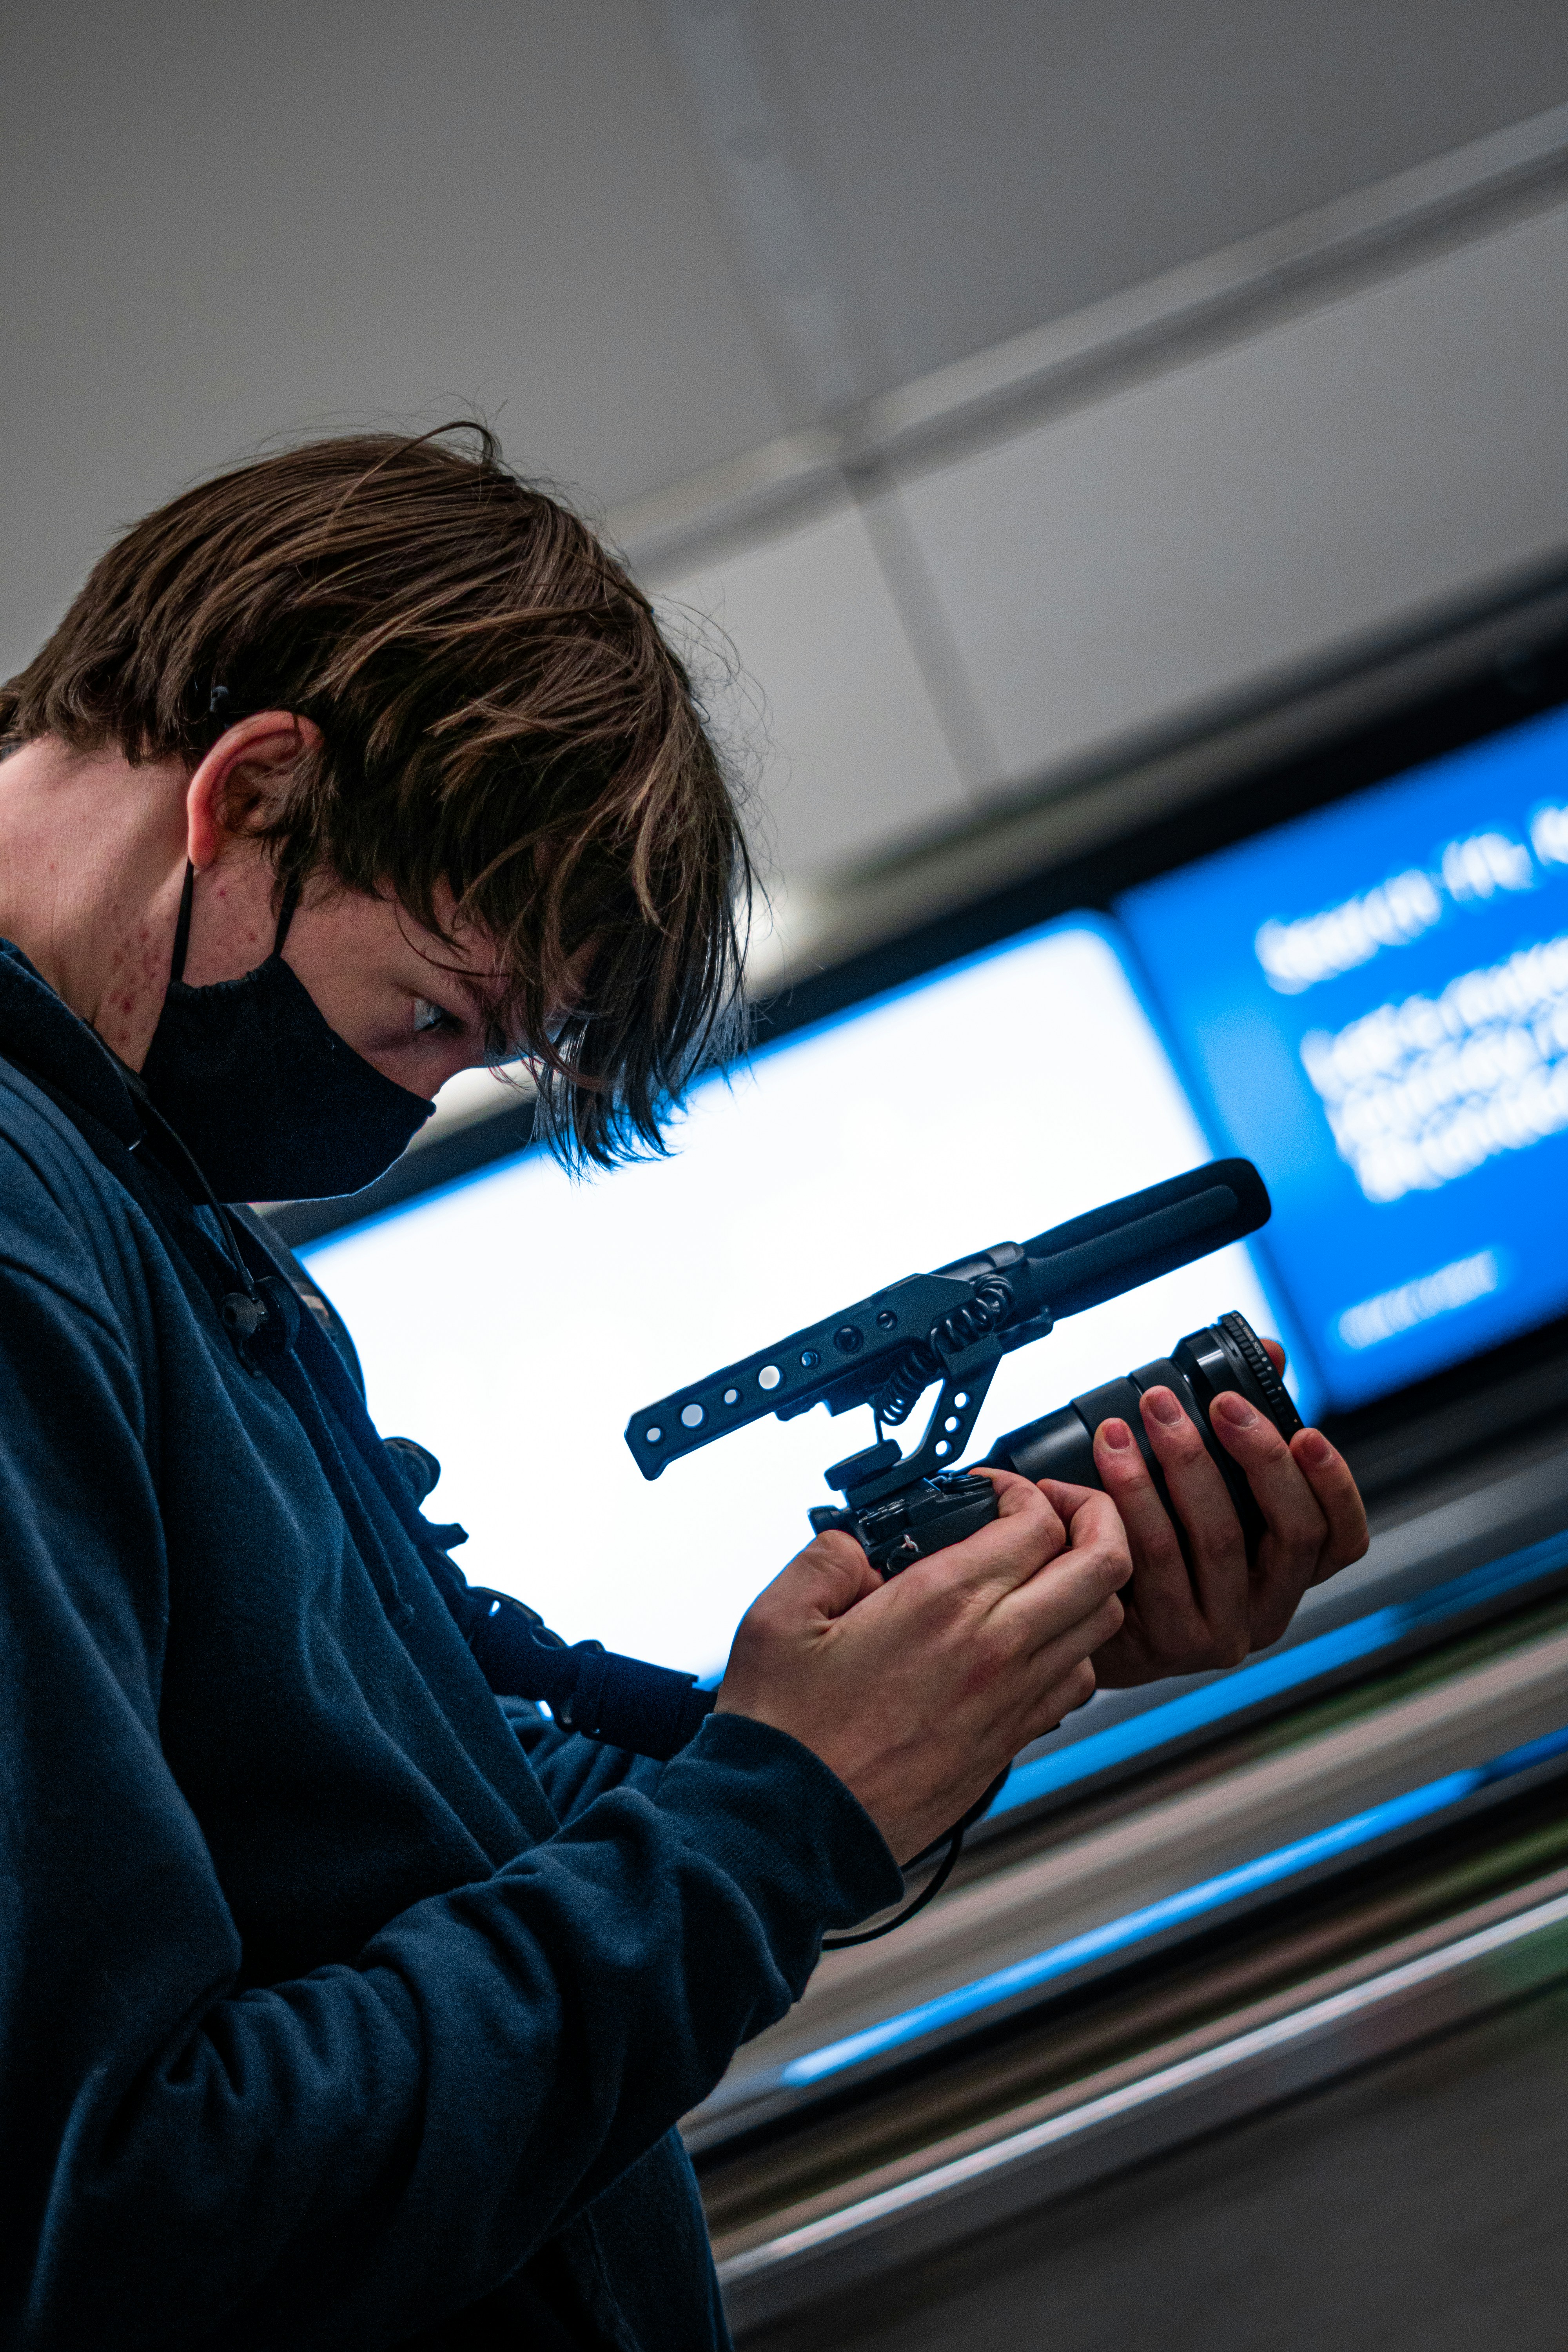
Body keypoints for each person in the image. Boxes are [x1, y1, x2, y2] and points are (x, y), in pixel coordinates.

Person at [0, 427, 1368, 2350]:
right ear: (254, 790)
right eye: (430, 1018)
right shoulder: (22, 1244)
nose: (399, 1105)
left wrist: (943, 1677)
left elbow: (434, 1819)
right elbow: (125, 2216)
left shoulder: (142, 1206)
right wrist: (772, 1817)